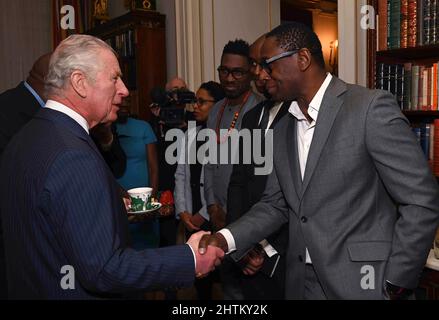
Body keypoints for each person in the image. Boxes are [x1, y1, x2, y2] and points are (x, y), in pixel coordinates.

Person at [199, 22, 439, 300]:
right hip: (301, 282)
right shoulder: (282, 125)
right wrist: (223, 239)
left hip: (366, 283)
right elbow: (275, 204)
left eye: (267, 64)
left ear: (302, 59)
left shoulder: (369, 108)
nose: (260, 75)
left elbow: (421, 199)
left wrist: (397, 281)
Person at [0, 34, 223, 299]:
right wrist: (189, 258)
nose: (125, 90)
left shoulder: (26, 136)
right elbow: (104, 269)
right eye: (114, 78)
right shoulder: (73, 154)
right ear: (80, 83)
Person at [226, 34, 290, 300]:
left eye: (265, 65)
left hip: (286, 257)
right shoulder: (253, 117)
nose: (258, 74)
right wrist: (243, 245)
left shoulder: (302, 114)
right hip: (249, 252)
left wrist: (266, 250)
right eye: (254, 65)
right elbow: (238, 183)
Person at [203, 39, 262, 299]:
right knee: (228, 289)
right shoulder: (216, 109)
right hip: (218, 217)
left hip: (248, 220)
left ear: (250, 73)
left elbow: (262, 176)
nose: (229, 78)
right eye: (223, 71)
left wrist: (236, 217)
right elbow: (208, 162)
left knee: (250, 291)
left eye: (237, 72)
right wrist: (212, 206)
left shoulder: (262, 109)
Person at [174, 81, 225, 299]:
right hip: (191, 218)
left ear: (217, 105)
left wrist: (201, 215)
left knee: (219, 278)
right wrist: (183, 212)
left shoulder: (225, 137)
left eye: (201, 102)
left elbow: (221, 184)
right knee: (199, 278)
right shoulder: (189, 135)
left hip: (214, 218)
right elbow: (181, 176)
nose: (195, 106)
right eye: (195, 101)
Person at [116, 108, 160, 250]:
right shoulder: (103, 129)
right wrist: (125, 196)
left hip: (145, 201)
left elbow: (154, 168)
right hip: (117, 200)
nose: (123, 103)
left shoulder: (143, 127)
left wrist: (150, 203)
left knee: (149, 248)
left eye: (127, 101)